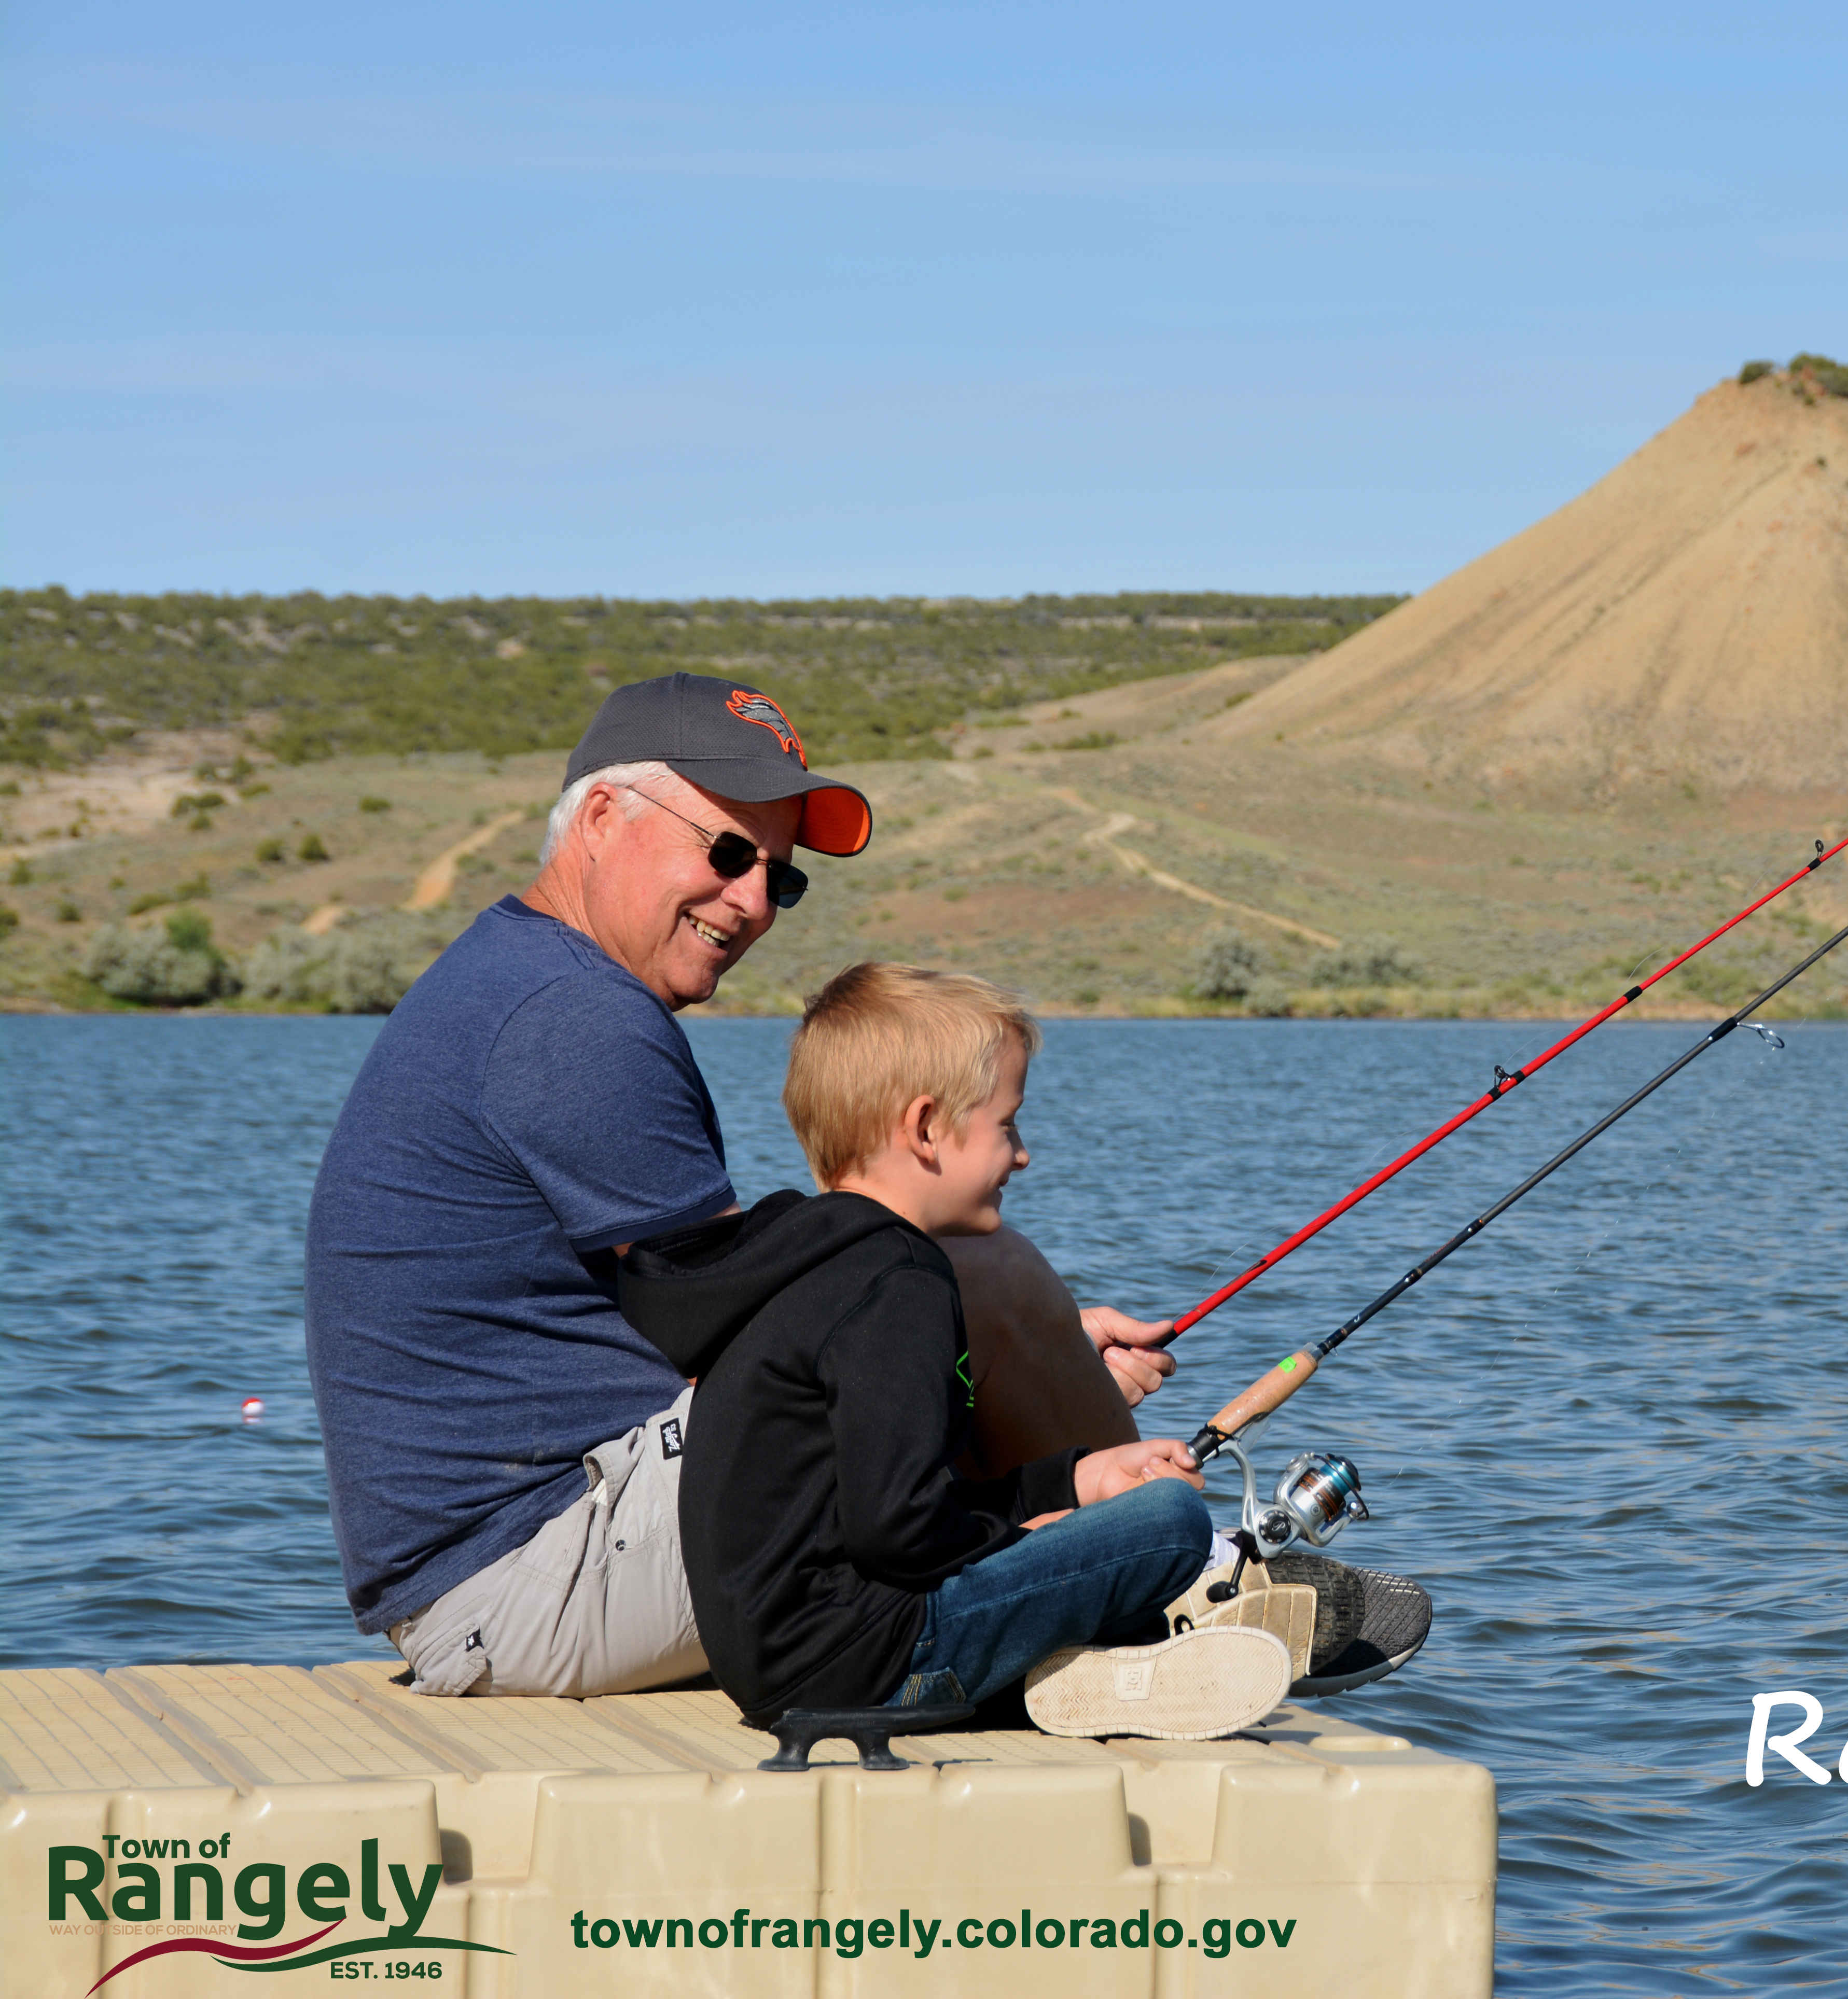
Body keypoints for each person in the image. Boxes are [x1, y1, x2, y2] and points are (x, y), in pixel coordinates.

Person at [302, 673, 1178, 1698]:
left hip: (503, 1567)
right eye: (726, 852)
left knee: (917, 1282)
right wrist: (1009, 1356)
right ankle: (1162, 1594)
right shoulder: (576, 1019)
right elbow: (759, 1340)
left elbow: (764, 1330)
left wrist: (1025, 1370)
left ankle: (1090, 1585)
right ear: (599, 818)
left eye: (782, 877)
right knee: (968, 1263)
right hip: (519, 1578)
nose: (756, 901)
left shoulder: (523, 977)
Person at [616, 962, 1291, 1736]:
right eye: (1009, 1124)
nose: (1024, 1154)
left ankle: (1086, 1670)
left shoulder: (807, 1263)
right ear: (927, 1127)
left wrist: (1075, 1481)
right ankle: (1106, 1665)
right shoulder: (899, 1282)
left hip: (783, 1670)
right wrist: (1022, 1539)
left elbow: (879, 1506)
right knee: (1172, 1522)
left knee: (1119, 1511)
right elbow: (899, 1529)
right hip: (874, 1663)